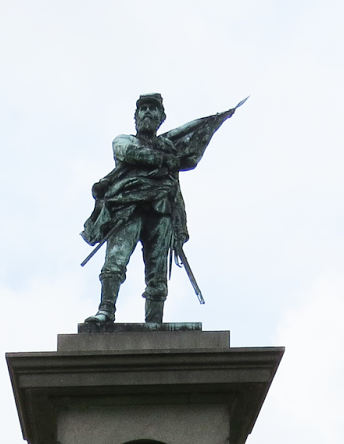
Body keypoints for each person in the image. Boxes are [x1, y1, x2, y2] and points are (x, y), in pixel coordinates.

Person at [81, 93, 239, 326]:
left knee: (157, 274)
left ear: (161, 118)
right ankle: (106, 311)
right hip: (128, 208)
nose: (146, 112)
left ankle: (154, 322)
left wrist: (180, 224)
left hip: (161, 211)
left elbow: (175, 189)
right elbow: (132, 154)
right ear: (135, 117)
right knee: (115, 263)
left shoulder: (169, 149)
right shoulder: (124, 140)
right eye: (142, 109)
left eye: (152, 109)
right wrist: (166, 159)